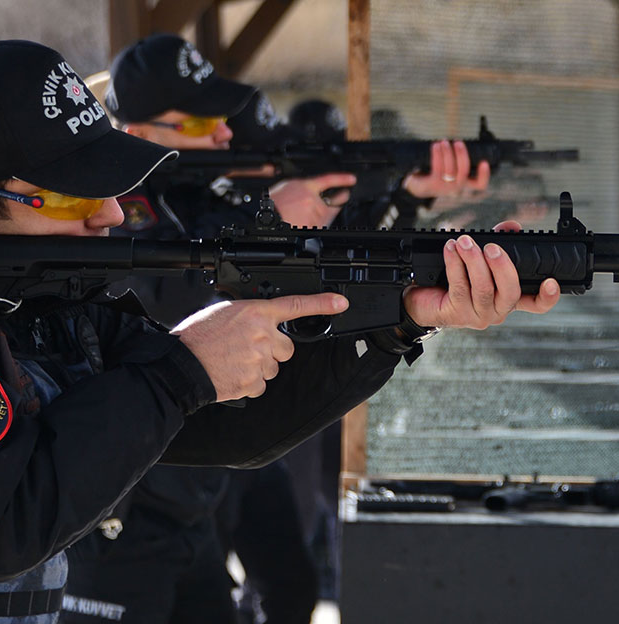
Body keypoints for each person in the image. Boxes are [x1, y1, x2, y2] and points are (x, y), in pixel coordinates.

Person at [0, 38, 560, 624]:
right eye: (81, 197)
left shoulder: (30, 288)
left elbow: (226, 427)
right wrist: (177, 375)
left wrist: (397, 317)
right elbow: (1, 525)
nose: (114, 220)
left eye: (117, 190)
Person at [59, 34, 555, 624]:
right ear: (138, 131)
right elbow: (155, 313)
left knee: (287, 592)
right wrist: (271, 222)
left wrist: (402, 198)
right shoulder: (110, 211)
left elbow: (330, 266)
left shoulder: (198, 196)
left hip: (198, 483)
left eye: (220, 117)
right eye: (198, 121)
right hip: (129, 503)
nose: (223, 134)